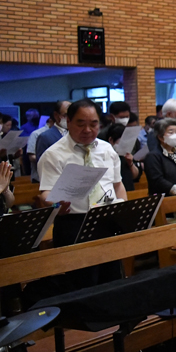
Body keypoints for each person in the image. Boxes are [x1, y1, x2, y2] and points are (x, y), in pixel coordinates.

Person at [39, 99, 127, 244]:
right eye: (80, 124)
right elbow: (46, 194)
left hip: (108, 219)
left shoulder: (107, 149)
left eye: (93, 124)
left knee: (111, 266)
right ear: (68, 122)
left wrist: (123, 211)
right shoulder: (53, 155)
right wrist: (56, 206)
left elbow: (118, 185)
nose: (87, 130)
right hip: (73, 222)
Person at [105, 122, 141, 191]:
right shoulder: (106, 156)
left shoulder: (126, 155)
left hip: (129, 190)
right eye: (122, 141)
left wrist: (130, 163)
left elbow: (135, 176)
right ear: (111, 140)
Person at [34, 100, 70, 165]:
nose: (69, 119)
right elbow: (41, 163)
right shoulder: (45, 137)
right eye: (65, 115)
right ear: (56, 115)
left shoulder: (75, 135)